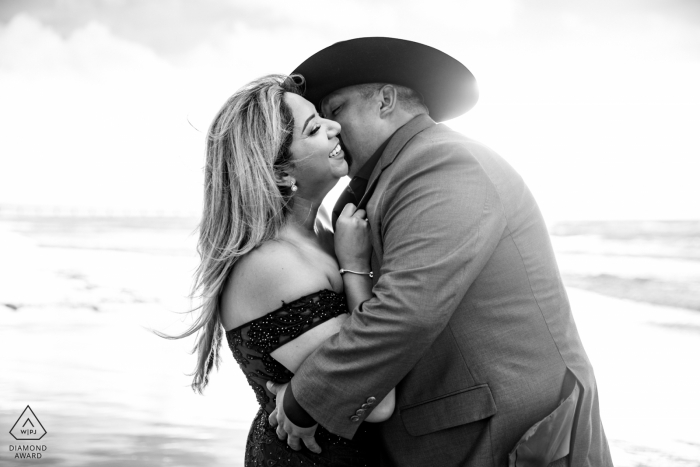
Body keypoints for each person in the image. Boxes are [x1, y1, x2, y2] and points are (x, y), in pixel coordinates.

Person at [267, 37, 614, 467]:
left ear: (386, 100)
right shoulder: (389, 176)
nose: (332, 129)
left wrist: (304, 401)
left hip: (516, 437)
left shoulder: (441, 161)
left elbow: (409, 309)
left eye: (335, 110)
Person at [162, 75, 394, 466]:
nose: (335, 126)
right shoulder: (274, 265)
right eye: (315, 128)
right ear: (283, 174)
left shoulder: (324, 232)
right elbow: (377, 403)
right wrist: (355, 269)